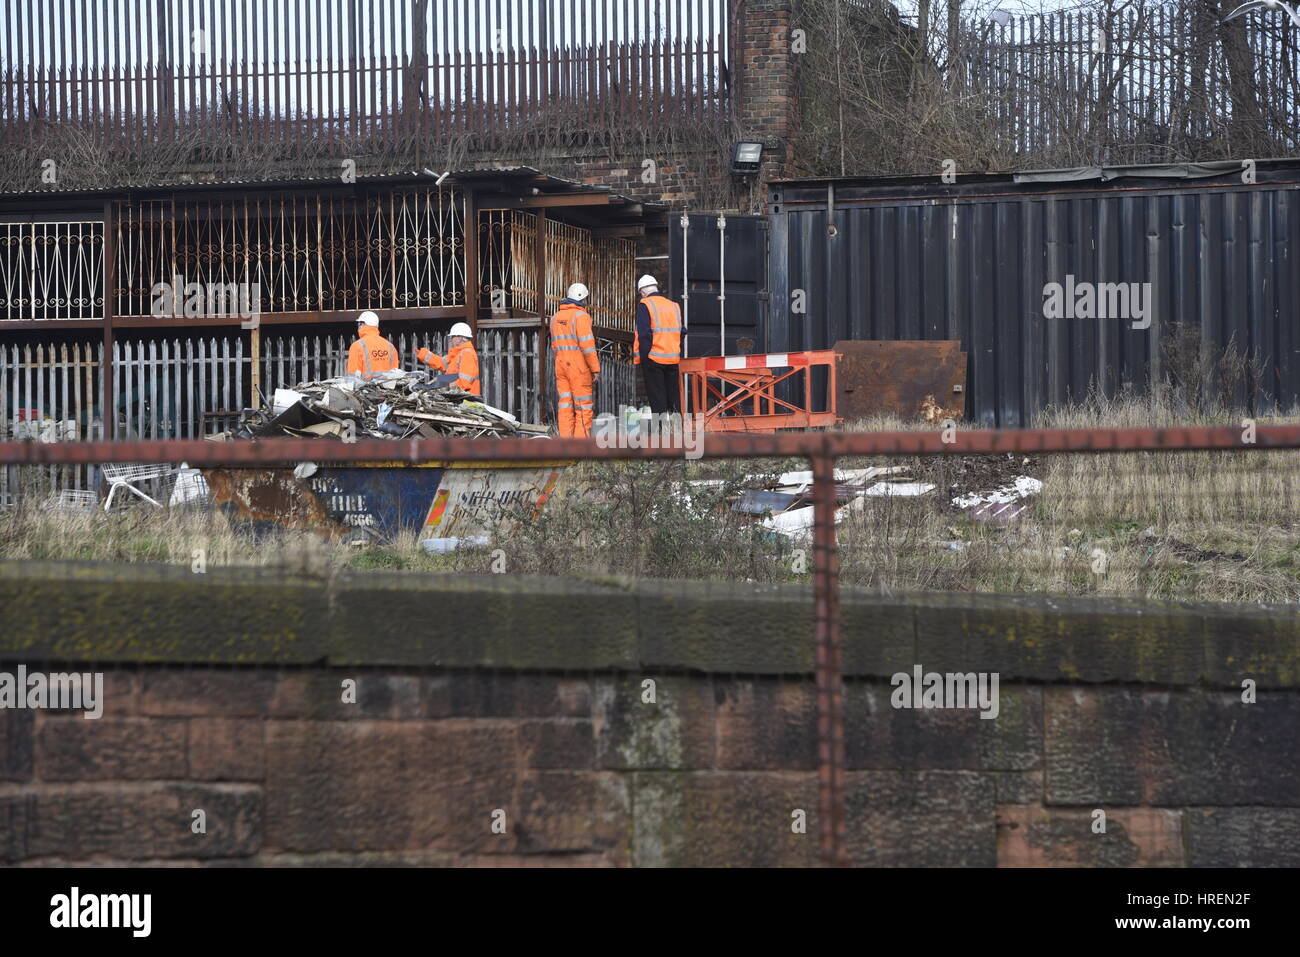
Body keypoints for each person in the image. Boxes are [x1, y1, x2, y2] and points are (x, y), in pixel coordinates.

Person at [549, 283, 601, 437]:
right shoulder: (581, 316)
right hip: (578, 368)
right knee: (583, 406)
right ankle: (580, 447)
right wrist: (595, 369)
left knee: (565, 404)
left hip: (560, 366)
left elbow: (554, 346)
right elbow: (588, 347)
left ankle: (566, 444)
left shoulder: (555, 318)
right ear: (582, 298)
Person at [633, 274, 682, 414]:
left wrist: (644, 357)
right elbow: (682, 332)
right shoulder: (674, 306)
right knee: (672, 397)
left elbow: (644, 334)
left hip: (654, 359)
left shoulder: (645, 304)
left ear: (642, 291)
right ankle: (676, 430)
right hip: (672, 359)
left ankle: (660, 432)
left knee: (657, 398)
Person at [417, 322, 481, 396]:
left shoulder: (467, 354)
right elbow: (441, 363)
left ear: (460, 338)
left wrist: (446, 387)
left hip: (466, 398)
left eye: (453, 336)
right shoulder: (458, 354)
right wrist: (423, 354)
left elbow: (464, 382)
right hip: (460, 396)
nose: (451, 339)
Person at [346, 311, 399, 377]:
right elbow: (395, 374)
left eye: (359, 324)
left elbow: (352, 377)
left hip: (365, 386)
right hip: (388, 387)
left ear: (361, 324)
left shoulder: (357, 346)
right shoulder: (390, 346)